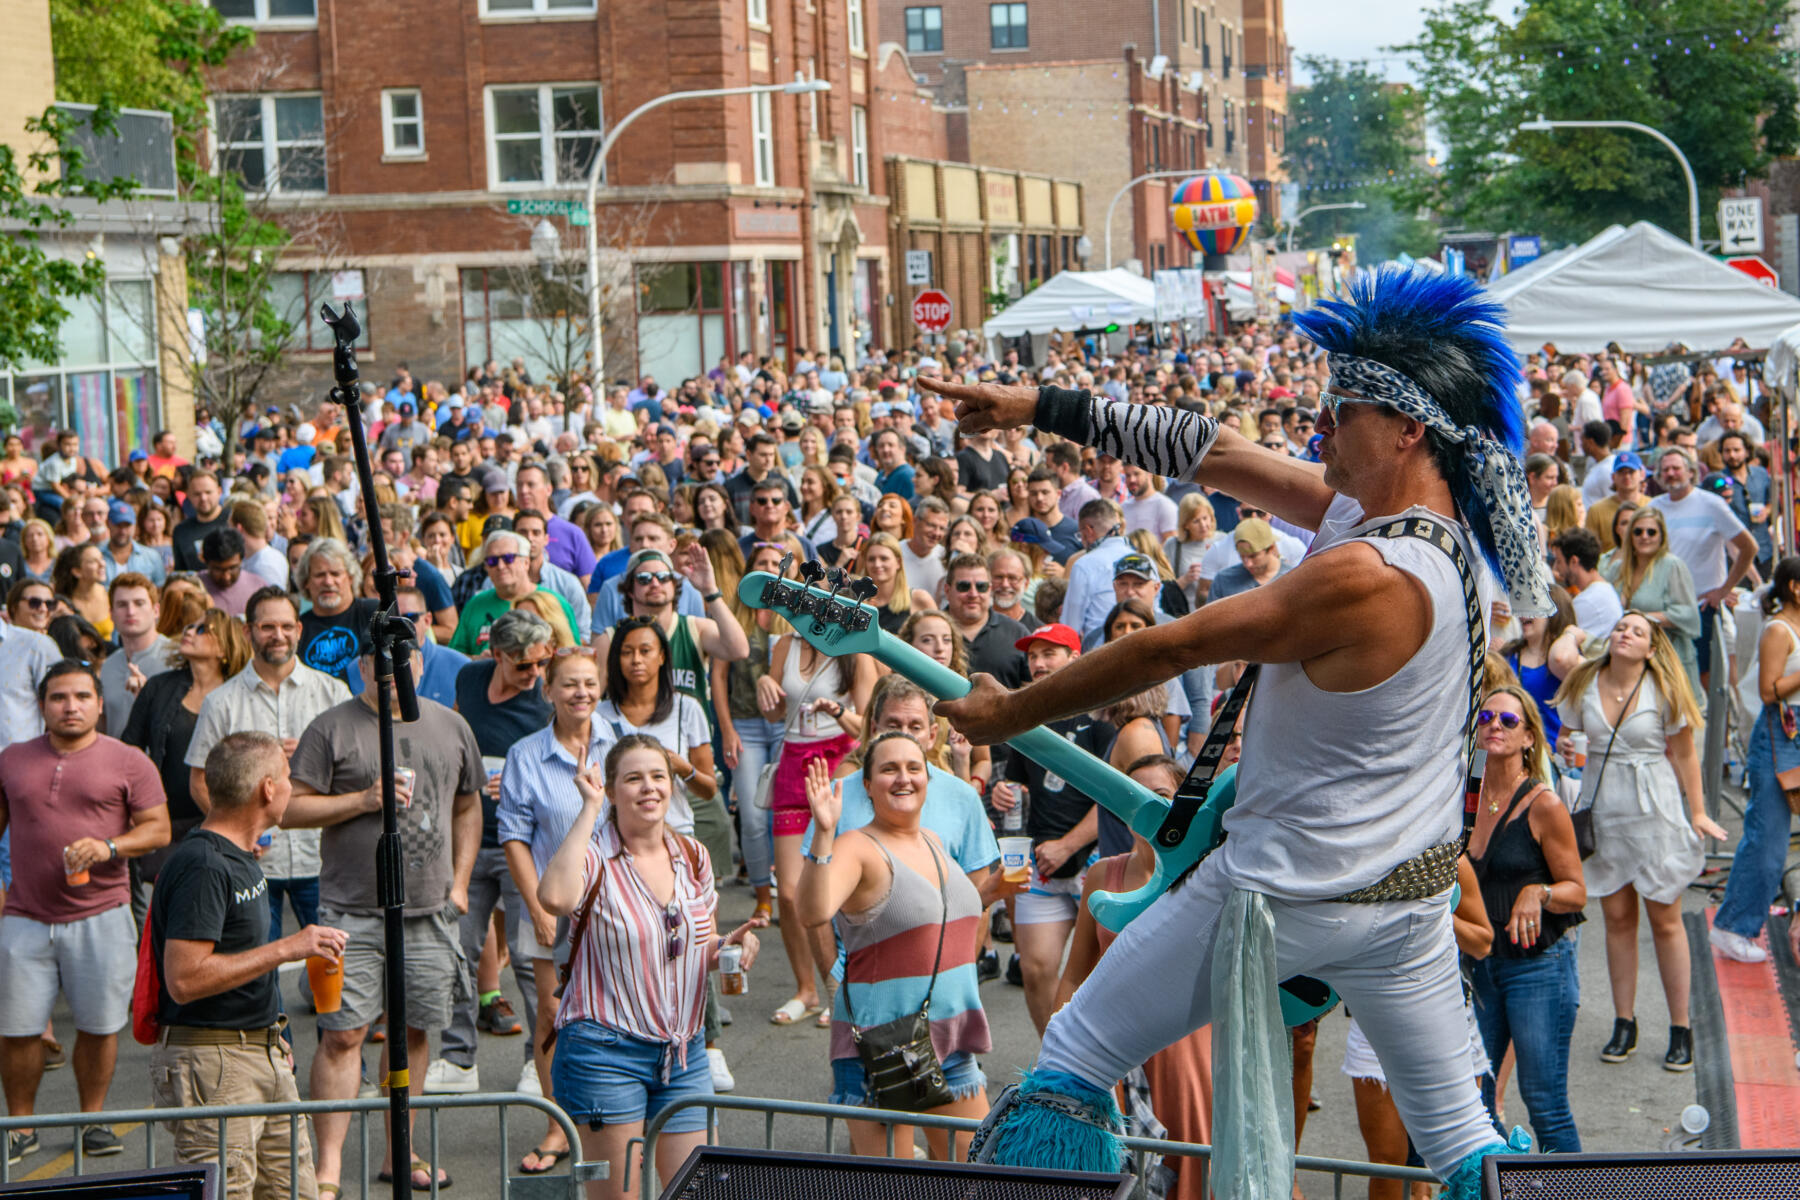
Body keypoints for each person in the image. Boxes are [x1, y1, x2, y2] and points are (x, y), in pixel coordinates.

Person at [921, 268, 1549, 1195]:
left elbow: (1168, 648)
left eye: (1341, 412)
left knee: (1074, 1058)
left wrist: (1007, 712)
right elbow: (1214, 453)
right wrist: (1035, 403)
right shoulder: (1436, 539)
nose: (1318, 430)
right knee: (1465, 1140)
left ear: (1409, 429)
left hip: (1279, 897)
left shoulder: (1371, 573)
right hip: (1406, 910)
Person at [288, 642, 483, 1196]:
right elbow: (291, 807)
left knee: (415, 1030)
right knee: (342, 1034)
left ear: (420, 663)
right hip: (351, 913)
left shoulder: (450, 725)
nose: (394, 670)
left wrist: (462, 884)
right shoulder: (332, 728)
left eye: (406, 659)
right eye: (380, 661)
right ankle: (327, 1170)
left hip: (430, 911)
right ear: (363, 667)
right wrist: (363, 799)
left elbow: (468, 804)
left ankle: (402, 1152)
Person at [537, 735, 761, 1200]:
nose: (649, 788)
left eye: (658, 776)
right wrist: (588, 807)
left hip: (683, 1053)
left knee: (694, 1191)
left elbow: (696, 943)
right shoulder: (594, 856)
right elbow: (555, 899)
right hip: (604, 1053)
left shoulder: (693, 856)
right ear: (613, 791)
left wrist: (729, 946)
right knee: (617, 1197)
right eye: (633, 779)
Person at [150, 731, 346, 1200]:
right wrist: (287, 949)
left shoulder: (241, 856)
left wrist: (270, 1039)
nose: (292, 787)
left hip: (260, 1053)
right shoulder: (203, 865)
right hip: (216, 1065)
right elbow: (184, 978)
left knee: (291, 1191)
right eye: (287, 777)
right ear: (267, 789)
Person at [0, 660, 170, 1164]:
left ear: (99, 703)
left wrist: (110, 847)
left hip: (102, 914)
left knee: (98, 1027)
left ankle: (92, 1120)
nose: (70, 706)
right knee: (17, 1030)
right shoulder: (10, 759)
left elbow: (158, 830)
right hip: (25, 917)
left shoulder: (128, 761)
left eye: (80, 697)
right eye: (58, 698)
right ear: (41, 706)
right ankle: (21, 1127)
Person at [799, 733, 992, 1158]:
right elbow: (813, 912)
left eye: (913, 767)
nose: (903, 777)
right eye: (888, 769)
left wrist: (996, 890)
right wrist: (824, 836)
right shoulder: (856, 847)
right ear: (866, 785)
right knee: (894, 1187)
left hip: (951, 1038)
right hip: (882, 1047)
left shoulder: (935, 843)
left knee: (981, 1177)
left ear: (928, 777)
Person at [1554, 612, 1725, 1071]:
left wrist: (1699, 813)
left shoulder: (1663, 689)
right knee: (1617, 919)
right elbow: (1566, 736)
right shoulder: (1583, 683)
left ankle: (1680, 1026)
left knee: (1665, 918)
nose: (1625, 634)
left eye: (1637, 631)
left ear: (1651, 649)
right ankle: (1623, 1022)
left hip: (1654, 813)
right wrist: (1567, 748)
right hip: (1604, 812)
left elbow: (1686, 754)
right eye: (1621, 627)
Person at [1056, 755, 1213, 1200]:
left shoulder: (1208, 874)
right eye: (1133, 797)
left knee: (1193, 1173)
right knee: (1124, 1178)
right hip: (1113, 1053)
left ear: (1185, 803)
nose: (1146, 806)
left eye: (1160, 796)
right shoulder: (1105, 874)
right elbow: (1073, 976)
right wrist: (1057, 1059)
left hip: (1190, 1055)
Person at [186, 589, 347, 991]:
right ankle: (277, 1053)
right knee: (258, 980)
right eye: (267, 626)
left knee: (334, 985)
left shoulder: (333, 694)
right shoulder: (221, 702)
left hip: (324, 858)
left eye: (286, 626)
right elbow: (199, 781)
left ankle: (341, 1052)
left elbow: (355, 774)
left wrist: (311, 757)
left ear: (300, 630)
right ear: (247, 632)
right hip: (255, 864)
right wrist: (239, 837)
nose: (278, 635)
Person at [494, 650, 616, 1169]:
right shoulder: (525, 753)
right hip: (550, 903)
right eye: (569, 684)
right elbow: (514, 837)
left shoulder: (622, 742)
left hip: (616, 903)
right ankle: (557, 1125)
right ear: (548, 690)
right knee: (551, 1013)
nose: (580, 693)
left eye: (589, 683)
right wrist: (534, 905)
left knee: (613, 1012)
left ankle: (613, 1116)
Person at [430, 609, 555, 1099]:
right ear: (496, 655)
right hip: (466, 841)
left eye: (542, 663)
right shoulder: (470, 674)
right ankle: (458, 1058)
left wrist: (524, 783)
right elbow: (460, 733)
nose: (535, 675)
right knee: (455, 951)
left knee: (530, 959)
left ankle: (535, 1061)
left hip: (522, 846)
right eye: (524, 666)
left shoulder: (545, 701)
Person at [1465, 685, 1586, 1153]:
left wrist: (1539, 891)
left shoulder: (1544, 805)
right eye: (1486, 717)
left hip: (1538, 967)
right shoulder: (1462, 797)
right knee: (1475, 1103)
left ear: (1530, 737)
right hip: (1479, 967)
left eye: (1508, 721)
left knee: (1544, 1102)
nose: (1495, 725)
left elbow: (1577, 890)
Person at [988, 622, 1109, 1034]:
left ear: (1074, 659)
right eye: (1033, 656)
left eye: (1049, 653)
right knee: (1036, 968)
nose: (1038, 663)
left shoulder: (1100, 715)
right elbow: (1020, 784)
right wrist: (1006, 790)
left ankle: (1109, 1071)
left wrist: (1068, 844)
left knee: (1105, 976)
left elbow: (1116, 797)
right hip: (1040, 862)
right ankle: (1054, 1064)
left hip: (1097, 860)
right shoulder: (1027, 719)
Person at [757, 621, 875, 1025]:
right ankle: (806, 989)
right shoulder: (784, 645)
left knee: (837, 885)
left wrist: (839, 712)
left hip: (841, 760)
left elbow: (872, 726)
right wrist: (764, 687)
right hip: (794, 761)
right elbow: (774, 713)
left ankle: (838, 985)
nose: (812, 610)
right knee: (788, 892)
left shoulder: (854, 650)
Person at [123, 608, 250, 898]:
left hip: (216, 819)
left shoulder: (240, 694)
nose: (189, 631)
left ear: (225, 646)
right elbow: (129, 748)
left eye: (202, 629)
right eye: (189, 626)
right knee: (163, 907)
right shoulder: (159, 686)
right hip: (164, 819)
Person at [1710, 557, 1800, 963]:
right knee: (1767, 840)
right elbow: (1769, 691)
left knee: (1771, 838)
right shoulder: (1778, 629)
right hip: (1781, 734)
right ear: (1795, 587)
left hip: (1791, 734)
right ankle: (1733, 926)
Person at [1650, 447, 1757, 686]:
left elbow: (1749, 547)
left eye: (1676, 468)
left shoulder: (1712, 504)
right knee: (1668, 677)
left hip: (1702, 608)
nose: (1671, 473)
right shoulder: (1653, 508)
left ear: (1690, 472)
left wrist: (1724, 589)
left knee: (1704, 677)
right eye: (1665, 469)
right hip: (1663, 609)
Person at [1604, 507, 1703, 696]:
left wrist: (1641, 618)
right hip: (1627, 663)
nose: (1644, 536)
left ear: (1661, 536)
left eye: (1651, 532)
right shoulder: (1617, 569)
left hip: (1668, 660)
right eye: (1638, 531)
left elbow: (1689, 614)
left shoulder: (1672, 566)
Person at [453, 530, 579, 655]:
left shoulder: (554, 602)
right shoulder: (475, 605)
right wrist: (477, 661)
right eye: (492, 561)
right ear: (486, 567)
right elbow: (455, 655)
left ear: (526, 562)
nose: (501, 566)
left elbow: (571, 653)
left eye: (508, 558)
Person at [294, 539, 378, 691]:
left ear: (350, 576)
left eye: (335, 573)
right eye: (319, 575)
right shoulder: (297, 628)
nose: (328, 581)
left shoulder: (373, 612)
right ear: (306, 581)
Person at [99, 572, 171, 738]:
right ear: (111, 614)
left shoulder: (175, 658)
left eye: (139, 603)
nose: (131, 612)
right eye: (122, 605)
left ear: (156, 610)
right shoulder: (108, 665)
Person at [1550, 527, 1622, 638]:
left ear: (1574, 561)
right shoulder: (1602, 590)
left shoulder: (1587, 601)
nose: (1556, 568)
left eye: (1559, 561)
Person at [171, 471, 228, 573]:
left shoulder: (234, 520)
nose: (203, 498)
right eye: (197, 494)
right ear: (188, 495)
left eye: (208, 492)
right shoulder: (181, 531)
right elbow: (180, 571)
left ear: (219, 492)